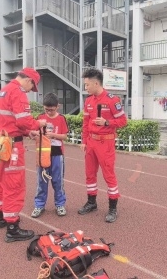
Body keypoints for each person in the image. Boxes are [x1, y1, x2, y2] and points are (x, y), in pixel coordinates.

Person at [0, 67, 47, 243]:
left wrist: (26, 133)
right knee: (14, 184)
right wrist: (38, 124)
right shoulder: (18, 92)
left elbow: (9, 121)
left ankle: (3, 216)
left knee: (2, 181)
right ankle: (13, 227)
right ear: (29, 80)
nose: (31, 91)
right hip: (12, 146)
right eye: (33, 87)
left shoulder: (3, 91)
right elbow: (24, 119)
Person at [78, 68, 127, 223]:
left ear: (96, 83)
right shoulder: (88, 101)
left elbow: (123, 121)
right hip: (91, 143)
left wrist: (107, 122)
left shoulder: (113, 100)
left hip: (105, 143)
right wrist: (84, 141)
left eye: (87, 85)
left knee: (108, 175)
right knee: (90, 174)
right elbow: (85, 123)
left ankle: (113, 208)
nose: (85, 88)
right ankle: (91, 203)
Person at [29, 93, 69, 218]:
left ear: (58, 107)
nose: (49, 112)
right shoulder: (40, 117)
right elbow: (33, 133)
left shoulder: (61, 118)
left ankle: (60, 204)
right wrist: (34, 134)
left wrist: (54, 136)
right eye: (46, 109)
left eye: (52, 110)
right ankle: (39, 205)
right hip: (42, 153)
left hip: (57, 154)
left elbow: (65, 136)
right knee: (42, 181)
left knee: (58, 181)